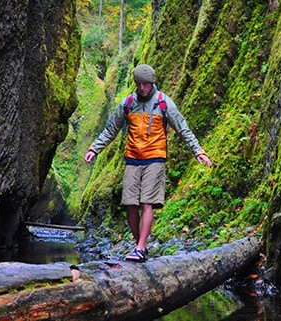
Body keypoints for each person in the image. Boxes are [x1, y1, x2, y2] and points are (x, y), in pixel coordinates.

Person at [84, 64, 212, 262]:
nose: (143, 88)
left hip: (155, 157)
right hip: (132, 158)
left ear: (152, 83)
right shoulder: (127, 103)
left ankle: (141, 247)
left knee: (146, 202)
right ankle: (139, 246)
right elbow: (111, 129)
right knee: (129, 204)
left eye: (146, 84)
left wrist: (198, 152)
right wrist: (94, 149)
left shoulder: (163, 103)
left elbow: (183, 129)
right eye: (140, 84)